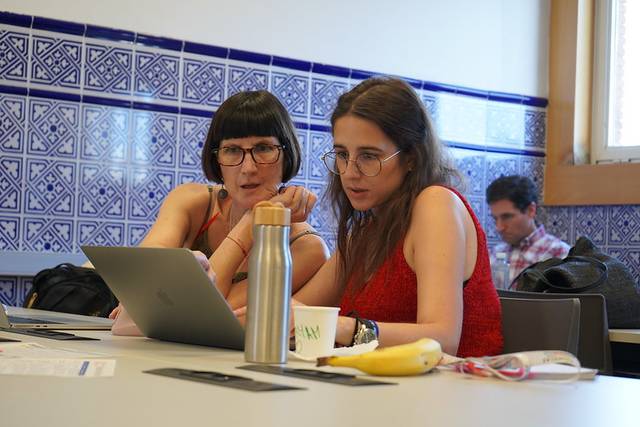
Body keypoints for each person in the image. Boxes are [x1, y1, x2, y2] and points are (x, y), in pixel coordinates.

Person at [231, 78, 503, 357]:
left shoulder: (436, 204)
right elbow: (297, 310)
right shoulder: (367, 230)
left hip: (458, 391)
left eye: (369, 156)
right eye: (341, 154)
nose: (349, 172)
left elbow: (443, 340)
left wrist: (341, 328)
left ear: (411, 157)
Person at [109, 90, 329, 322]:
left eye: (263, 148)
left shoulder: (305, 248)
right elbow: (142, 276)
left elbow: (201, 314)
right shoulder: (192, 202)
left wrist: (251, 222)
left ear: (287, 154)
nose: (248, 168)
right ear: (217, 159)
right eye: (232, 150)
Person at [486, 175, 571, 285]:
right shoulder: (493, 255)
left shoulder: (560, 254)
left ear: (531, 210)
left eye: (507, 217)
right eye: (495, 219)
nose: (499, 227)